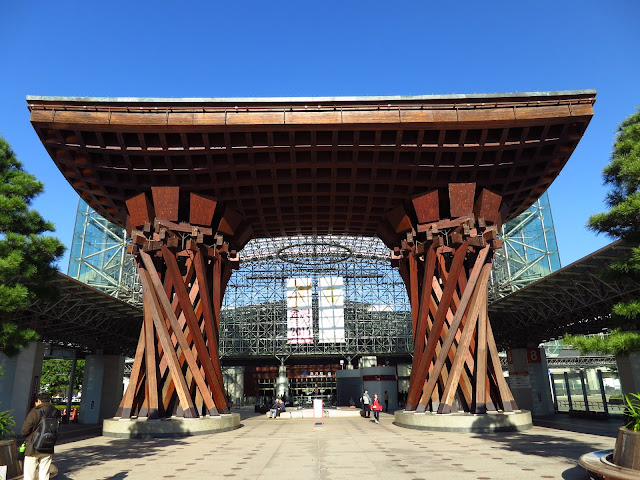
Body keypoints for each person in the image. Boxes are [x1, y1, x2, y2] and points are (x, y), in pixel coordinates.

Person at [21, 393, 61, 480]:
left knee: (29, 473)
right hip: (48, 446)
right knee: (44, 473)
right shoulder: (56, 411)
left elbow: (25, 430)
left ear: (39, 401)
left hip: (33, 446)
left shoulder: (35, 411)